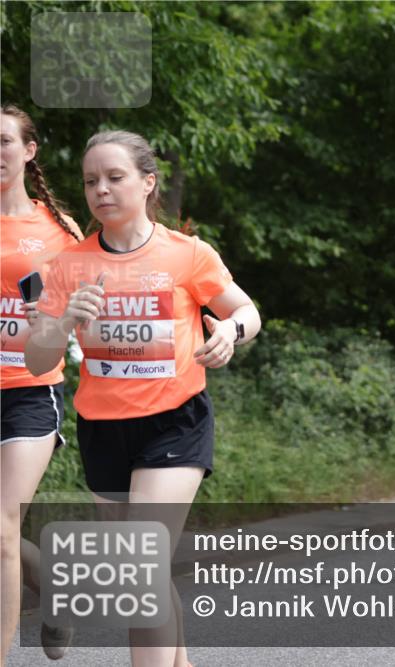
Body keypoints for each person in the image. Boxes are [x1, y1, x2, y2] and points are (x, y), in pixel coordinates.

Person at [26, 130, 260, 667]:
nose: (101, 190)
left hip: (174, 421)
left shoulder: (186, 254)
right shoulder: (69, 265)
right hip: (104, 429)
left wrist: (230, 331)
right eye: (91, 181)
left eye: (115, 177)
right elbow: (37, 361)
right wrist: (61, 322)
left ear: (148, 182)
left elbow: (246, 311)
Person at [1, 104, 83, 663]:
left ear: (29, 151)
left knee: (1, 525)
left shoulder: (60, 230)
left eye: (3, 141)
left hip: (31, 391)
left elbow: (91, 311)